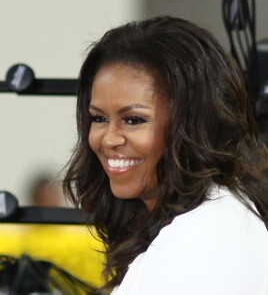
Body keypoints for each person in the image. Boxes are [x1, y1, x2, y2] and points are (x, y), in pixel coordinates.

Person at [63, 15, 268, 295]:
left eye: (133, 120)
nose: (109, 139)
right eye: (99, 119)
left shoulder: (202, 238)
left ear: (194, 124)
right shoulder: (210, 220)